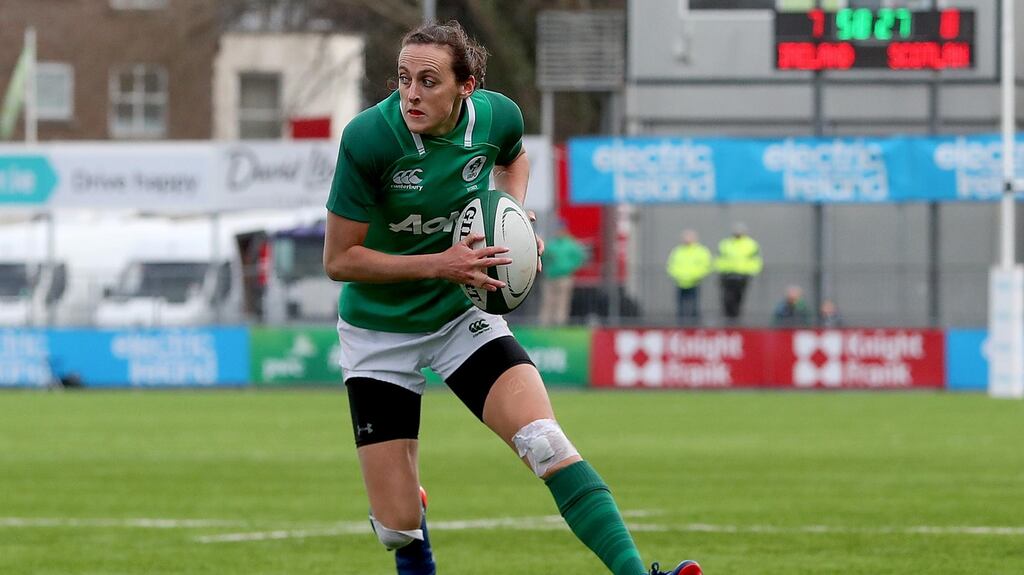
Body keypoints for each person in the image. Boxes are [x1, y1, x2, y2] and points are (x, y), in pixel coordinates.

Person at [322, 21, 702, 575]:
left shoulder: (498, 116)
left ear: (465, 86)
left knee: (544, 442)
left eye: (429, 81)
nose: (411, 94)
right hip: (379, 333)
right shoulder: (368, 138)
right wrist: (441, 264)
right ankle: (410, 517)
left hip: (460, 319)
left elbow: (515, 158)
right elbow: (338, 261)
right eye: (403, 79)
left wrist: (514, 215)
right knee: (397, 527)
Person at [539, 220, 588, 326]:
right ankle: (545, 324)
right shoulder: (552, 244)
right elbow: (544, 257)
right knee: (548, 301)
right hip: (551, 277)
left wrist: (569, 268)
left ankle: (560, 324)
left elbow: (579, 259)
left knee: (562, 302)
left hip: (564, 277)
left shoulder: (571, 244)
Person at [715, 222, 762, 322]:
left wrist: (750, 272)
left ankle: (736, 320)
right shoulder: (726, 244)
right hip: (728, 276)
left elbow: (756, 260)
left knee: (739, 299)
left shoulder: (751, 244)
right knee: (727, 299)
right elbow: (719, 259)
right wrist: (723, 271)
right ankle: (728, 320)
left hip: (743, 276)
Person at [665, 229, 712, 324]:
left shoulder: (700, 251)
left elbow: (706, 265)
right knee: (680, 307)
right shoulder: (678, 251)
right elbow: (671, 265)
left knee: (695, 306)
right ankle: (680, 325)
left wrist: (696, 276)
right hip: (680, 282)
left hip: (694, 282)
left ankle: (695, 325)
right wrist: (678, 275)